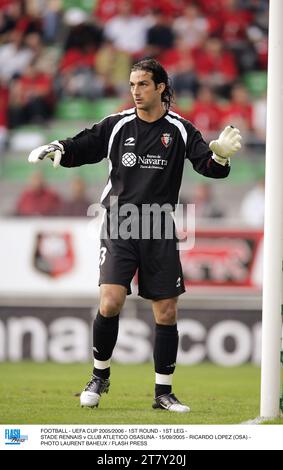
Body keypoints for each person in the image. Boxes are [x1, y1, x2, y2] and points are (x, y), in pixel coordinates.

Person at [28, 58, 241, 412]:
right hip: (119, 223)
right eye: (132, 85)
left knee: (167, 311)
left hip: (159, 227)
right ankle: (99, 376)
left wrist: (221, 157)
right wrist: (60, 148)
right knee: (110, 300)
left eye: (143, 84)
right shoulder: (117, 124)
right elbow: (86, 145)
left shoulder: (181, 130)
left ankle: (163, 393)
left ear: (160, 87)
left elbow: (210, 167)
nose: (136, 92)